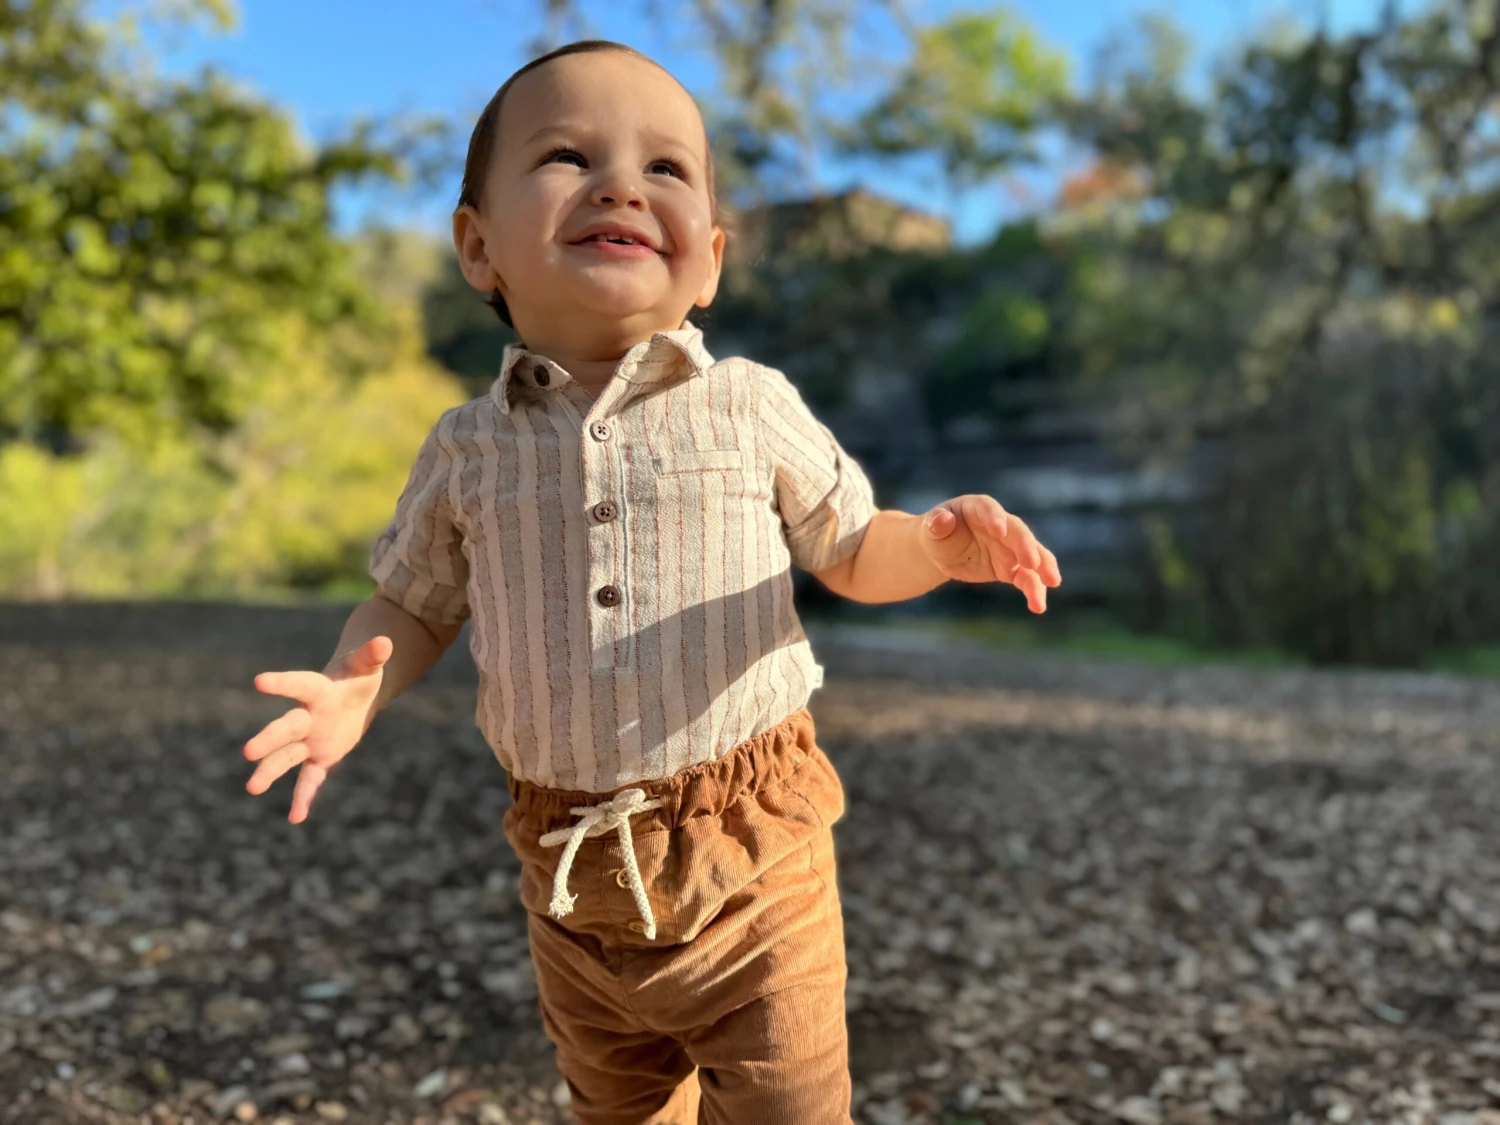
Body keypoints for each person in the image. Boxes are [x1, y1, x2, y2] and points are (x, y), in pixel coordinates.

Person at [241, 38, 1062, 1125]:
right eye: (569, 155)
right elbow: (413, 604)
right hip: (570, 877)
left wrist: (937, 547)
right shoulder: (466, 449)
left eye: (666, 169)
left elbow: (855, 547)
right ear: (477, 245)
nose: (622, 182)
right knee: (618, 1109)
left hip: (754, 857)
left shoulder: (748, 405)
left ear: (711, 259)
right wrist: (356, 684)